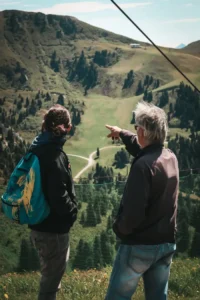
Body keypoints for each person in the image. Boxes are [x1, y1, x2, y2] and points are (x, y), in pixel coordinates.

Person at [105, 101, 179, 300]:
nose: (135, 130)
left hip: (139, 246)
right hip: (165, 244)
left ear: (143, 132)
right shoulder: (169, 157)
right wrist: (121, 133)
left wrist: (119, 229)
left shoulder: (142, 167)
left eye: (137, 127)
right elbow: (145, 151)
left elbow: (133, 213)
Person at [29, 104, 78, 300]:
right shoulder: (54, 156)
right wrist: (72, 212)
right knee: (50, 283)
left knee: (49, 277)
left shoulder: (38, 149)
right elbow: (58, 196)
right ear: (65, 127)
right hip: (53, 230)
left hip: (38, 225)